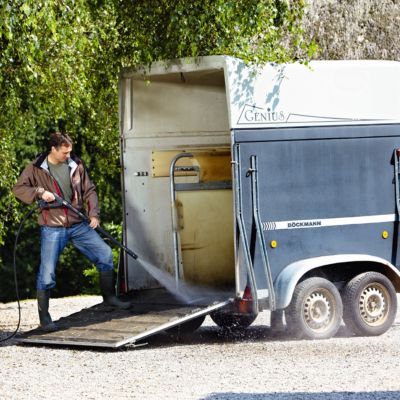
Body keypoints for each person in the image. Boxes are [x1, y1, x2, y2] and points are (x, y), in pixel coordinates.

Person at [12, 132, 130, 331]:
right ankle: (45, 319)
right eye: (64, 152)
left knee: (105, 254)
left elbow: (90, 190)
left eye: (69, 152)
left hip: (78, 224)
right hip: (52, 226)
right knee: (47, 273)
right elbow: (18, 189)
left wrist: (94, 214)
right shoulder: (36, 167)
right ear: (53, 149)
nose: (68, 155)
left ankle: (109, 298)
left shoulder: (76, 164)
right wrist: (40, 192)